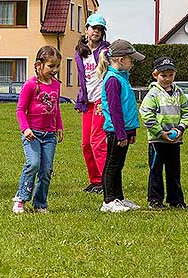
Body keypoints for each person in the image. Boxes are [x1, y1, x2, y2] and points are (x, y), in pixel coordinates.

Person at [12, 46, 64, 213]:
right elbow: (20, 109)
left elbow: (56, 107)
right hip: (32, 135)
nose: (54, 70)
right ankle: (21, 198)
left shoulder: (56, 85)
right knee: (33, 164)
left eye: (57, 66)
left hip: (49, 135)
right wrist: (25, 129)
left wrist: (59, 126)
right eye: (51, 66)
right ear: (39, 65)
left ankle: (40, 203)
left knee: (46, 170)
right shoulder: (30, 85)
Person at [97, 39, 145, 212]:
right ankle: (108, 201)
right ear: (120, 59)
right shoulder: (112, 80)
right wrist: (121, 133)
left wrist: (130, 131)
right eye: (131, 59)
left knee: (119, 164)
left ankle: (118, 198)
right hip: (115, 131)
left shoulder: (122, 78)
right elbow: (115, 110)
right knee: (112, 164)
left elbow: (127, 107)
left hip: (123, 131)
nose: (133, 63)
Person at [139, 56, 188, 210]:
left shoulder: (179, 92)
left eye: (171, 75)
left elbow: (187, 113)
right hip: (157, 141)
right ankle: (155, 200)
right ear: (155, 75)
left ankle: (176, 200)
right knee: (156, 170)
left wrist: (180, 129)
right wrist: (161, 133)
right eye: (163, 75)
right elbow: (146, 115)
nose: (167, 79)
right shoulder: (152, 94)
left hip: (175, 139)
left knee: (174, 171)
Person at [74, 14, 110, 194]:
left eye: (99, 29)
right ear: (86, 28)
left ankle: (106, 181)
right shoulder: (80, 52)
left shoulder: (106, 51)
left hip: (101, 102)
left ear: (103, 32)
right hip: (87, 101)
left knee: (97, 141)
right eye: (93, 27)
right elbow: (83, 79)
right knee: (85, 144)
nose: (96, 31)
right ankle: (95, 180)